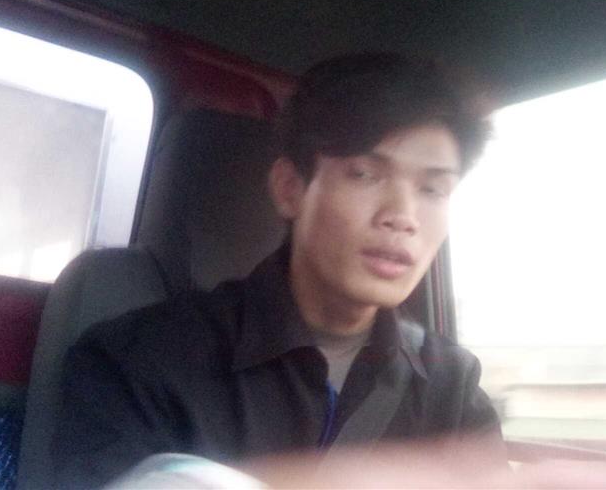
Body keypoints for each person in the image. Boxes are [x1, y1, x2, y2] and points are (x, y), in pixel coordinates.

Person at [53, 52, 503, 489]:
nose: (402, 216)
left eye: (433, 189)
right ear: (290, 189)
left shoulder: (452, 386)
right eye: (364, 175)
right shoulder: (139, 361)